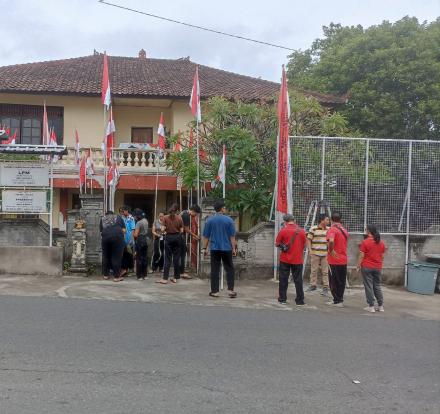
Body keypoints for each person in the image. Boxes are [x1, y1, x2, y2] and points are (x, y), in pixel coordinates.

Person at [202, 199, 238, 298]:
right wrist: (234, 248)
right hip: (226, 248)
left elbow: (206, 236)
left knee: (214, 270)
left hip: (214, 248)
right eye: (224, 207)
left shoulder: (209, 220)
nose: (225, 209)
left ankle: (215, 291)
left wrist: (205, 248)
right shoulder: (229, 220)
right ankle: (231, 290)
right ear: (222, 209)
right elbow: (232, 236)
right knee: (229, 269)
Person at [275, 214, 307, 305]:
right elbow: (305, 245)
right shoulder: (301, 231)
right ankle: (300, 300)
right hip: (297, 259)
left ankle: (282, 299)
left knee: (283, 279)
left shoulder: (283, 231)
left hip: (285, 259)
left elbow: (277, 244)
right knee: (298, 280)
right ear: (294, 220)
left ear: (285, 221)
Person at [357, 224, 387, 313]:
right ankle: (381, 306)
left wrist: (358, 265)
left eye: (366, 230)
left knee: (368, 286)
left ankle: (371, 306)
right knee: (377, 286)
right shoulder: (381, 242)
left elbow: (361, 255)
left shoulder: (365, 242)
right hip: (378, 267)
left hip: (367, 267)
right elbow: (382, 256)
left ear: (369, 231)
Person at [326, 211, 349, 307]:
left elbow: (331, 241)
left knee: (333, 280)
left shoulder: (332, 230)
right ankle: (339, 299)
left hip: (334, 260)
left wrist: (331, 250)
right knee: (341, 281)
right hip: (343, 259)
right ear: (341, 219)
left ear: (331, 219)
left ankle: (337, 300)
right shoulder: (344, 230)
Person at [157, 204, 183, 284]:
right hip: (177, 237)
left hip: (168, 237)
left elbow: (162, 228)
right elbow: (182, 230)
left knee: (167, 258)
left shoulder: (165, 217)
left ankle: (165, 279)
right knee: (176, 258)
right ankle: (175, 277)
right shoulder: (179, 218)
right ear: (176, 211)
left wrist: (163, 232)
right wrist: (178, 235)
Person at [306, 213, 330, 295]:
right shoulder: (313, 229)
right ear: (322, 220)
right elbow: (308, 240)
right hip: (315, 253)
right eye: (327, 219)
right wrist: (310, 251)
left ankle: (326, 287)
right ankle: (313, 285)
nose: (328, 221)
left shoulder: (329, 229)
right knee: (314, 270)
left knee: (325, 271)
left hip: (325, 254)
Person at [100, 211, 126, 282]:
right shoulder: (119, 217)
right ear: (113, 214)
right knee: (116, 257)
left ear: (106, 215)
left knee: (106, 256)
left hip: (105, 238)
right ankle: (116, 277)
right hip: (117, 237)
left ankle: (105, 275)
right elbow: (124, 230)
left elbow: (101, 231)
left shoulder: (103, 218)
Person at [180, 204, 201, 279]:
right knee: (182, 254)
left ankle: (180, 271)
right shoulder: (186, 215)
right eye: (195, 214)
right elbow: (186, 229)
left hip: (178, 235)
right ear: (193, 211)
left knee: (182, 253)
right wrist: (195, 236)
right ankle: (181, 272)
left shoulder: (184, 212)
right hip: (179, 236)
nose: (195, 216)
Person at [133, 209, 149, 280]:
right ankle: (145, 275)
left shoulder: (138, 223)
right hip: (145, 240)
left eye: (136, 216)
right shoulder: (146, 220)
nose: (135, 217)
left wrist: (132, 233)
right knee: (144, 258)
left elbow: (136, 235)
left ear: (138, 216)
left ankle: (139, 276)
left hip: (139, 240)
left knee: (139, 258)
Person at [120, 206, 136, 278]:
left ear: (127, 211)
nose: (122, 213)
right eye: (121, 211)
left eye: (123, 211)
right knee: (124, 255)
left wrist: (131, 239)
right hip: (123, 239)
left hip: (129, 239)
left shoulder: (131, 218)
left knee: (130, 255)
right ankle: (124, 269)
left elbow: (133, 229)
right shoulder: (121, 218)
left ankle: (130, 269)